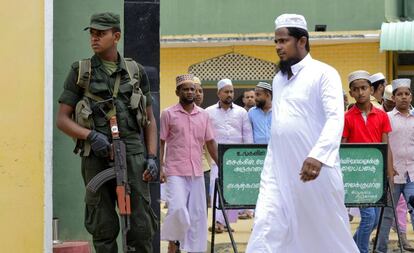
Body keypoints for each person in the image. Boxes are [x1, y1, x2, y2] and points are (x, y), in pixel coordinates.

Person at [246, 14, 358, 253]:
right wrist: (271, 167)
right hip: (279, 171)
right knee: (266, 225)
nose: (277, 47)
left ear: (302, 41)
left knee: (327, 233)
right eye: (276, 41)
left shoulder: (323, 74)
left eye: (283, 41)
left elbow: (335, 117)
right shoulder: (278, 80)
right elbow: (280, 128)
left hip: (316, 172)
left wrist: (317, 155)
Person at [56, 12, 158, 253]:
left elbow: (150, 120)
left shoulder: (136, 71)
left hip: (133, 155)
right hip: (96, 157)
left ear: (116, 36)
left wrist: (152, 157)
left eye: (101, 33)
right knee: (102, 227)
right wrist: (90, 136)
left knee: (140, 227)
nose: (94, 38)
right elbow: (62, 119)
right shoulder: (81, 71)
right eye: (92, 33)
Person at [160, 74, 218, 253]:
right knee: (177, 208)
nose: (190, 92)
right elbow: (161, 141)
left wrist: (221, 165)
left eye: (192, 89)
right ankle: (173, 241)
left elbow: (210, 142)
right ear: (177, 92)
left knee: (198, 215)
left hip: (197, 172)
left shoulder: (203, 116)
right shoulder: (168, 114)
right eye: (185, 89)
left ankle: (195, 250)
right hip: (175, 170)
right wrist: (161, 166)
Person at [342, 70, 392, 253]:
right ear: (351, 93)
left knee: (376, 217)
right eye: (356, 89)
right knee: (369, 217)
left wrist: (389, 172)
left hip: (376, 175)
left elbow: (386, 146)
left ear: (371, 89)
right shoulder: (346, 117)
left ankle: (352, 246)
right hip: (357, 175)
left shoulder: (381, 115)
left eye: (364, 88)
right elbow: (343, 148)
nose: (361, 92)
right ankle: (361, 250)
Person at [206, 78, 253, 232]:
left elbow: (247, 135)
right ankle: (218, 222)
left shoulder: (241, 112)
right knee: (216, 187)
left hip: (236, 157)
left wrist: (247, 157)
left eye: (231, 91)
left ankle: (226, 222)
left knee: (232, 190)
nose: (229, 94)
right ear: (219, 93)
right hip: (217, 157)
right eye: (226, 91)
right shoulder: (208, 112)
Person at [376, 79, 414, 253]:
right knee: (387, 213)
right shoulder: (386, 118)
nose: (404, 97)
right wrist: (387, 168)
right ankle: (380, 248)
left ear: (411, 96)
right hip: (392, 173)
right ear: (394, 97)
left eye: (406, 94)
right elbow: (383, 144)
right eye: (400, 94)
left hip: (413, 173)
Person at [193, 76, 213, 209]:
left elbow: (208, 144)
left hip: (203, 168)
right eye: (195, 91)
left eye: (201, 91)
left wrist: (210, 167)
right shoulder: (172, 114)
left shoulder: (205, 115)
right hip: (182, 170)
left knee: (202, 207)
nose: (198, 94)